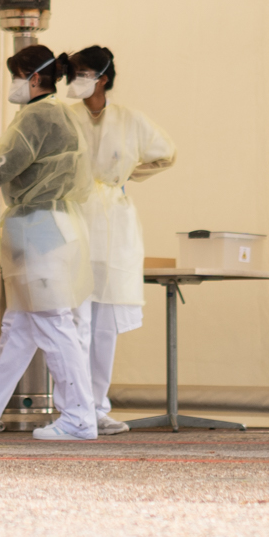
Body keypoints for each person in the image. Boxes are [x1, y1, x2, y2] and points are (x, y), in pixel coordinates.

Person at [0, 44, 100, 440]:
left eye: (16, 76)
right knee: (19, 326)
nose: (14, 85)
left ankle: (79, 416)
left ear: (33, 78)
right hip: (56, 226)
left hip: (38, 232)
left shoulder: (36, 117)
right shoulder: (63, 116)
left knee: (53, 322)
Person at [66, 45, 176, 435]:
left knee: (105, 323)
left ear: (103, 78)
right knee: (75, 318)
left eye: (82, 72)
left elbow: (166, 154)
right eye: (73, 72)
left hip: (113, 222)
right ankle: (74, 407)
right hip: (75, 218)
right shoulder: (65, 116)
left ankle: (98, 406)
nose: (75, 79)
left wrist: (128, 174)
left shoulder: (130, 119)